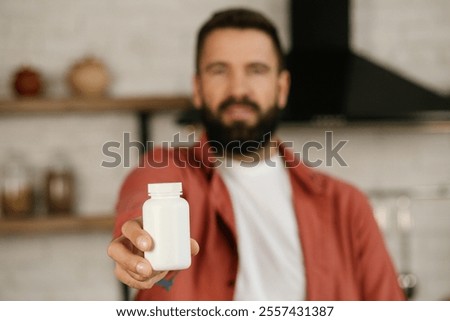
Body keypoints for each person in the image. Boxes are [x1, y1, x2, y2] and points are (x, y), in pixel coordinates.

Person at [107, 8, 405, 300]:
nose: (239, 89)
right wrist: (140, 246)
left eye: (257, 70)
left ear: (282, 87)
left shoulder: (348, 206)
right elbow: (142, 202)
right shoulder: (166, 170)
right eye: (219, 70)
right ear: (197, 88)